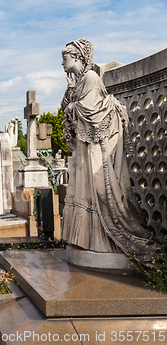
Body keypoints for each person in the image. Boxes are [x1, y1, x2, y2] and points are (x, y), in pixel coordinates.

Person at [60, 38, 161, 265]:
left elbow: (91, 112)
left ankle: (103, 239)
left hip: (95, 145)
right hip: (85, 146)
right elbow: (69, 107)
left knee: (101, 193)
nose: (62, 63)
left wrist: (71, 105)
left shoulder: (91, 78)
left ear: (76, 57)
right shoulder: (80, 81)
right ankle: (90, 240)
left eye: (64, 58)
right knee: (88, 193)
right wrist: (69, 92)